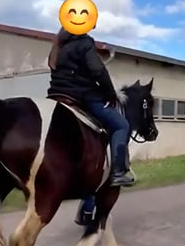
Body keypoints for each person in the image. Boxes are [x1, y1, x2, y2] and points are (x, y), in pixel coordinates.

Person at [47, 27, 135, 189]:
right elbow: (98, 71)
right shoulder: (84, 43)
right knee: (121, 125)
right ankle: (118, 172)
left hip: (56, 94)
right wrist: (110, 94)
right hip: (82, 96)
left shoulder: (59, 45)